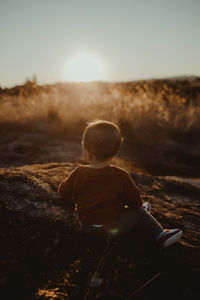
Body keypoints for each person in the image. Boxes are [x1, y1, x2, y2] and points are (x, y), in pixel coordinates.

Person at [58, 120, 183, 247]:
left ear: (86, 150)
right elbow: (135, 202)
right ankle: (161, 235)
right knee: (139, 211)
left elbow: (63, 193)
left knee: (132, 210)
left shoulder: (78, 172)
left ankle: (140, 217)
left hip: (88, 229)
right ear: (116, 151)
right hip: (111, 230)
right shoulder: (120, 175)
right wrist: (136, 208)